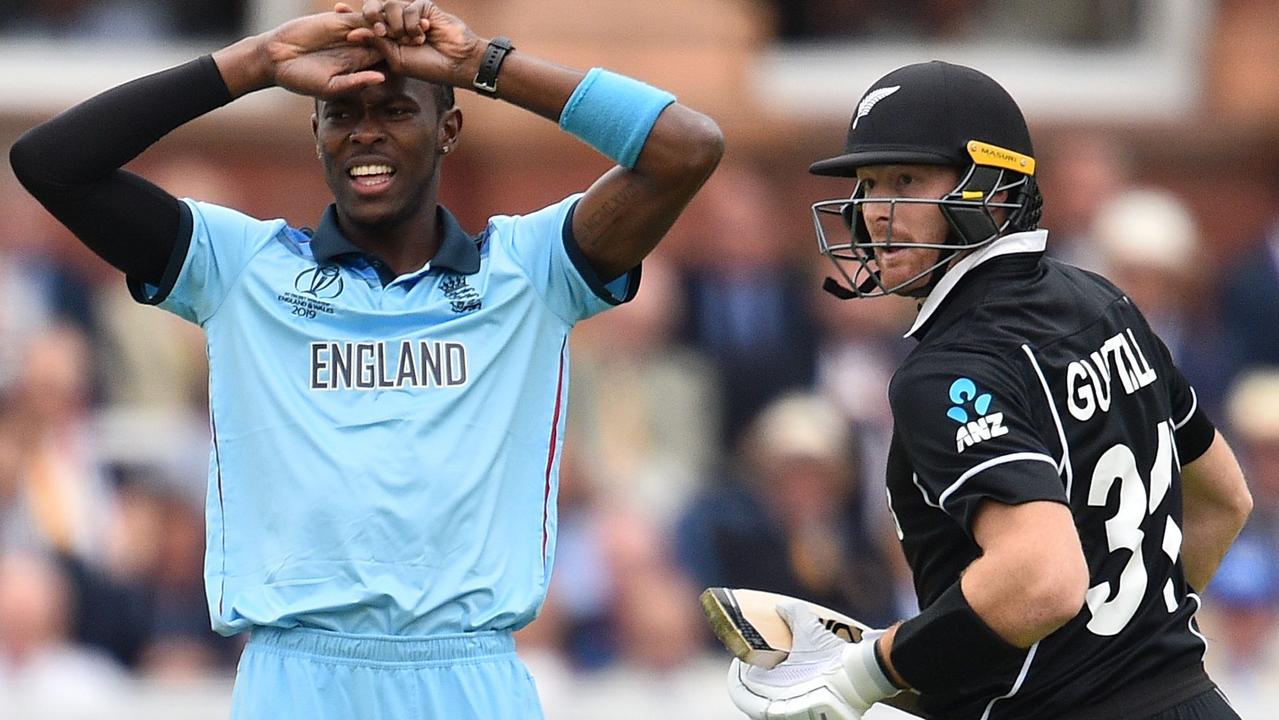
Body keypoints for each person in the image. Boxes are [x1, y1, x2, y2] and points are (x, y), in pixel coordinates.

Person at [9, 1, 723, 717]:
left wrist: (485, 66)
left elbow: (684, 148)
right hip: (295, 678)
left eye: (394, 111)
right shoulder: (241, 268)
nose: (365, 134)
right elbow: (51, 163)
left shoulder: (528, 270)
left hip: (469, 673)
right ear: (315, 134)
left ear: (448, 128)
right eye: (341, 115)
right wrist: (252, 64)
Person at [724, 61, 1253, 720]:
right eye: (866, 184)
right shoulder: (1102, 298)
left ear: (993, 190)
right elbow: (1223, 500)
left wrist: (865, 671)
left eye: (905, 181)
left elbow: (1042, 577)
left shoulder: (945, 371)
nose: (873, 212)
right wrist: (1127, 644)